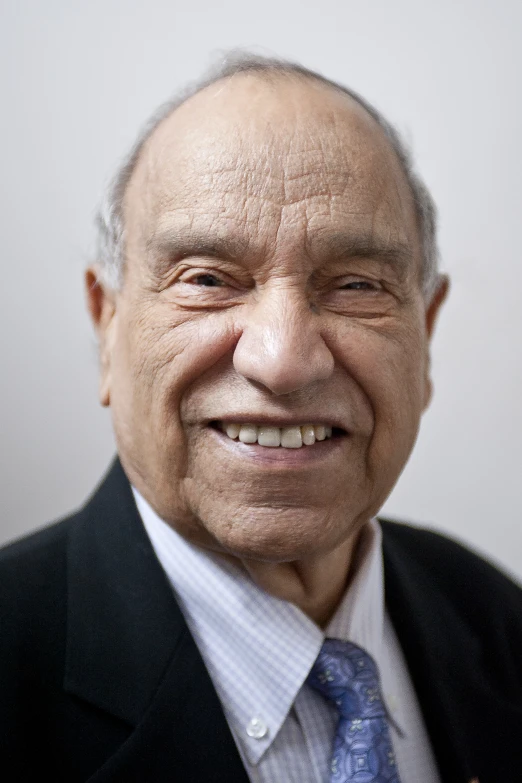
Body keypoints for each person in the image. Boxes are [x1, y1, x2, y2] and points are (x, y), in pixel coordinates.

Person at [0, 54, 520, 783]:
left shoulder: (498, 622)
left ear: (425, 335)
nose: (282, 359)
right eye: (207, 279)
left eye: (355, 285)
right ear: (107, 326)